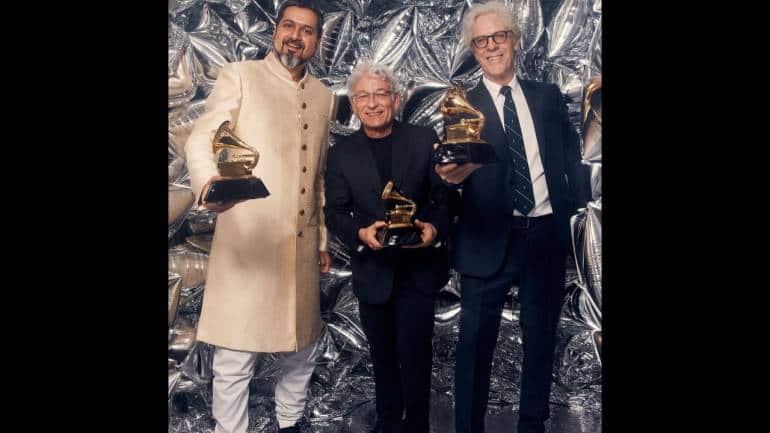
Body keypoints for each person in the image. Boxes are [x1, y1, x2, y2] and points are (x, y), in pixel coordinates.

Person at [434, 2, 591, 433]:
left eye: (498, 37)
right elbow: (449, 175)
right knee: (474, 346)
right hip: (486, 240)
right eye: (481, 41)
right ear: (473, 49)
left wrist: (573, 216)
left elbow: (570, 158)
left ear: (515, 41)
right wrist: (448, 182)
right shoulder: (461, 104)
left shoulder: (546, 96)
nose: (490, 47)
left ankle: (532, 425)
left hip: (544, 235)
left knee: (541, 340)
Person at [184, 2, 334, 432]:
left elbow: (317, 176)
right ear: (276, 30)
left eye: (306, 30)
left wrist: (321, 240)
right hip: (248, 239)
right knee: (236, 353)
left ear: (317, 42)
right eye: (289, 25)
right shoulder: (242, 75)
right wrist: (209, 187)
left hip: (300, 245)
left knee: (302, 346)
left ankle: (290, 424)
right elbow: (204, 137)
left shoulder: (324, 96)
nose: (295, 35)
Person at [323, 61, 451, 433]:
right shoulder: (342, 153)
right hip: (373, 273)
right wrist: (361, 232)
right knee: (382, 358)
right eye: (363, 96)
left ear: (396, 99)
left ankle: (419, 426)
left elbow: (444, 198)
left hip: (418, 270)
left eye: (381, 94)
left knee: (416, 357)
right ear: (353, 102)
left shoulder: (424, 138)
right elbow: (335, 212)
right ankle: (388, 424)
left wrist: (434, 228)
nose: (373, 103)